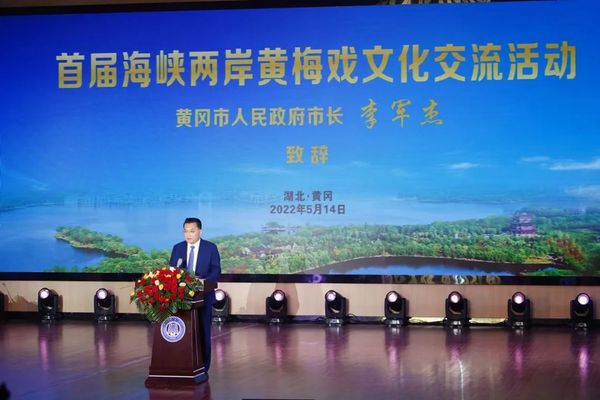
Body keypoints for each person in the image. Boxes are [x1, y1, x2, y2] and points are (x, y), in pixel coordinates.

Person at [169, 217, 221, 381]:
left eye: (192, 231)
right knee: (183, 332)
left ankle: (203, 367)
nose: (188, 234)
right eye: (185, 231)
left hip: (203, 298)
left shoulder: (210, 248)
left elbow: (216, 271)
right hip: (181, 300)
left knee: (203, 332)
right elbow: (172, 270)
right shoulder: (178, 248)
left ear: (200, 231)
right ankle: (182, 365)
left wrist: (204, 282)